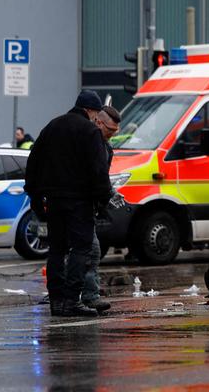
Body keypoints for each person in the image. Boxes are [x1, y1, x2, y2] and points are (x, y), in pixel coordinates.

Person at [25, 90, 113, 317]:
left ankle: (57, 301)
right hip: (79, 201)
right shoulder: (90, 131)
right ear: (91, 111)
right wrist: (103, 201)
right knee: (81, 248)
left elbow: (33, 161)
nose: (96, 118)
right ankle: (73, 300)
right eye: (96, 113)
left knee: (57, 249)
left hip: (53, 200)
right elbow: (98, 170)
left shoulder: (52, 127)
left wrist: (34, 196)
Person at [81, 106, 122, 313]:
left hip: (89, 206)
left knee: (82, 252)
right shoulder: (90, 143)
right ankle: (88, 296)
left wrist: (111, 193)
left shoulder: (106, 147)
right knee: (91, 250)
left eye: (116, 131)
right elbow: (93, 176)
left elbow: (101, 178)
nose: (112, 134)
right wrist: (108, 194)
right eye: (110, 130)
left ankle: (82, 294)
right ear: (98, 122)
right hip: (79, 205)